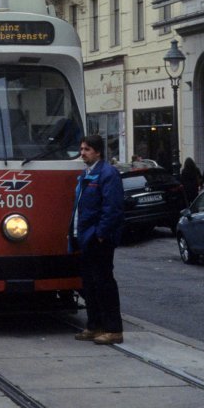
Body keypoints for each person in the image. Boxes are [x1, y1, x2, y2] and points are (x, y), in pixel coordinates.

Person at [69, 134, 125, 346]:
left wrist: (100, 234)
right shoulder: (87, 174)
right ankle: (95, 325)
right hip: (85, 238)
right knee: (89, 284)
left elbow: (113, 208)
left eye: (87, 149)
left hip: (97, 239)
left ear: (98, 152)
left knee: (104, 283)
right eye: (82, 149)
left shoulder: (107, 174)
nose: (82, 153)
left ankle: (113, 329)